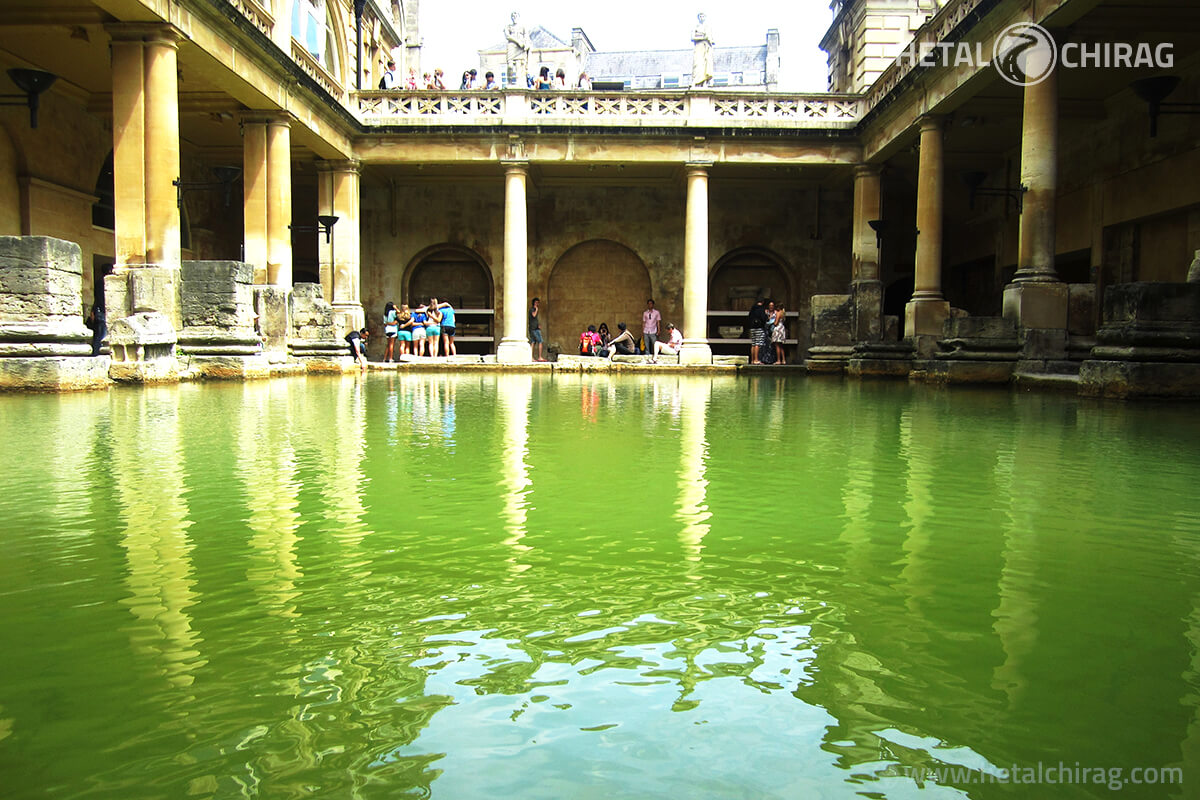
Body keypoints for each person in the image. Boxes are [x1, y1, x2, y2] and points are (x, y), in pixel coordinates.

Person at [505, 12, 530, 87]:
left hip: (521, 47)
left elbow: (526, 36)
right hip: (512, 45)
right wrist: (518, 41)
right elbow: (508, 36)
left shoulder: (523, 27)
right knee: (510, 66)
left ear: (519, 17)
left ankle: (519, 84)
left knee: (519, 66)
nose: (514, 17)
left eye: (516, 16)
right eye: (513, 16)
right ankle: (509, 82)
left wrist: (526, 45)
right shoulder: (508, 27)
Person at [691, 12, 714, 88]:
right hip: (698, 47)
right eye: (700, 16)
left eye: (703, 16)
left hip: (706, 47)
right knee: (697, 64)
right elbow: (693, 37)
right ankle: (695, 82)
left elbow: (711, 39)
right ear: (698, 18)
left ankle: (704, 83)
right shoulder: (695, 27)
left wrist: (708, 39)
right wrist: (703, 37)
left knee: (705, 64)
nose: (701, 17)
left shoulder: (708, 27)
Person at [747, 297, 768, 364]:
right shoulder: (761, 309)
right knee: (758, 344)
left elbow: (749, 317)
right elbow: (763, 318)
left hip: (752, 328)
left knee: (753, 343)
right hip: (759, 327)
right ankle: (756, 359)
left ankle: (752, 360)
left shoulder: (753, 308)